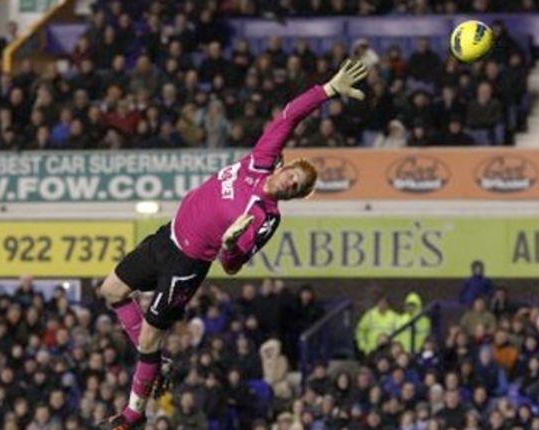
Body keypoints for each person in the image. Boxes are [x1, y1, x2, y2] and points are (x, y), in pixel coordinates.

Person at [95, 60, 369, 429]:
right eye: (293, 174)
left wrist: (228, 244)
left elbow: (232, 265)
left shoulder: (265, 217)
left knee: (149, 338)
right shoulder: (258, 162)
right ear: (285, 167)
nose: (290, 182)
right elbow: (288, 117)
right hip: (167, 236)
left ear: (295, 195)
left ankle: (134, 414)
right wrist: (327, 91)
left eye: (297, 186)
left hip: (187, 264)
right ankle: (153, 361)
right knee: (111, 291)